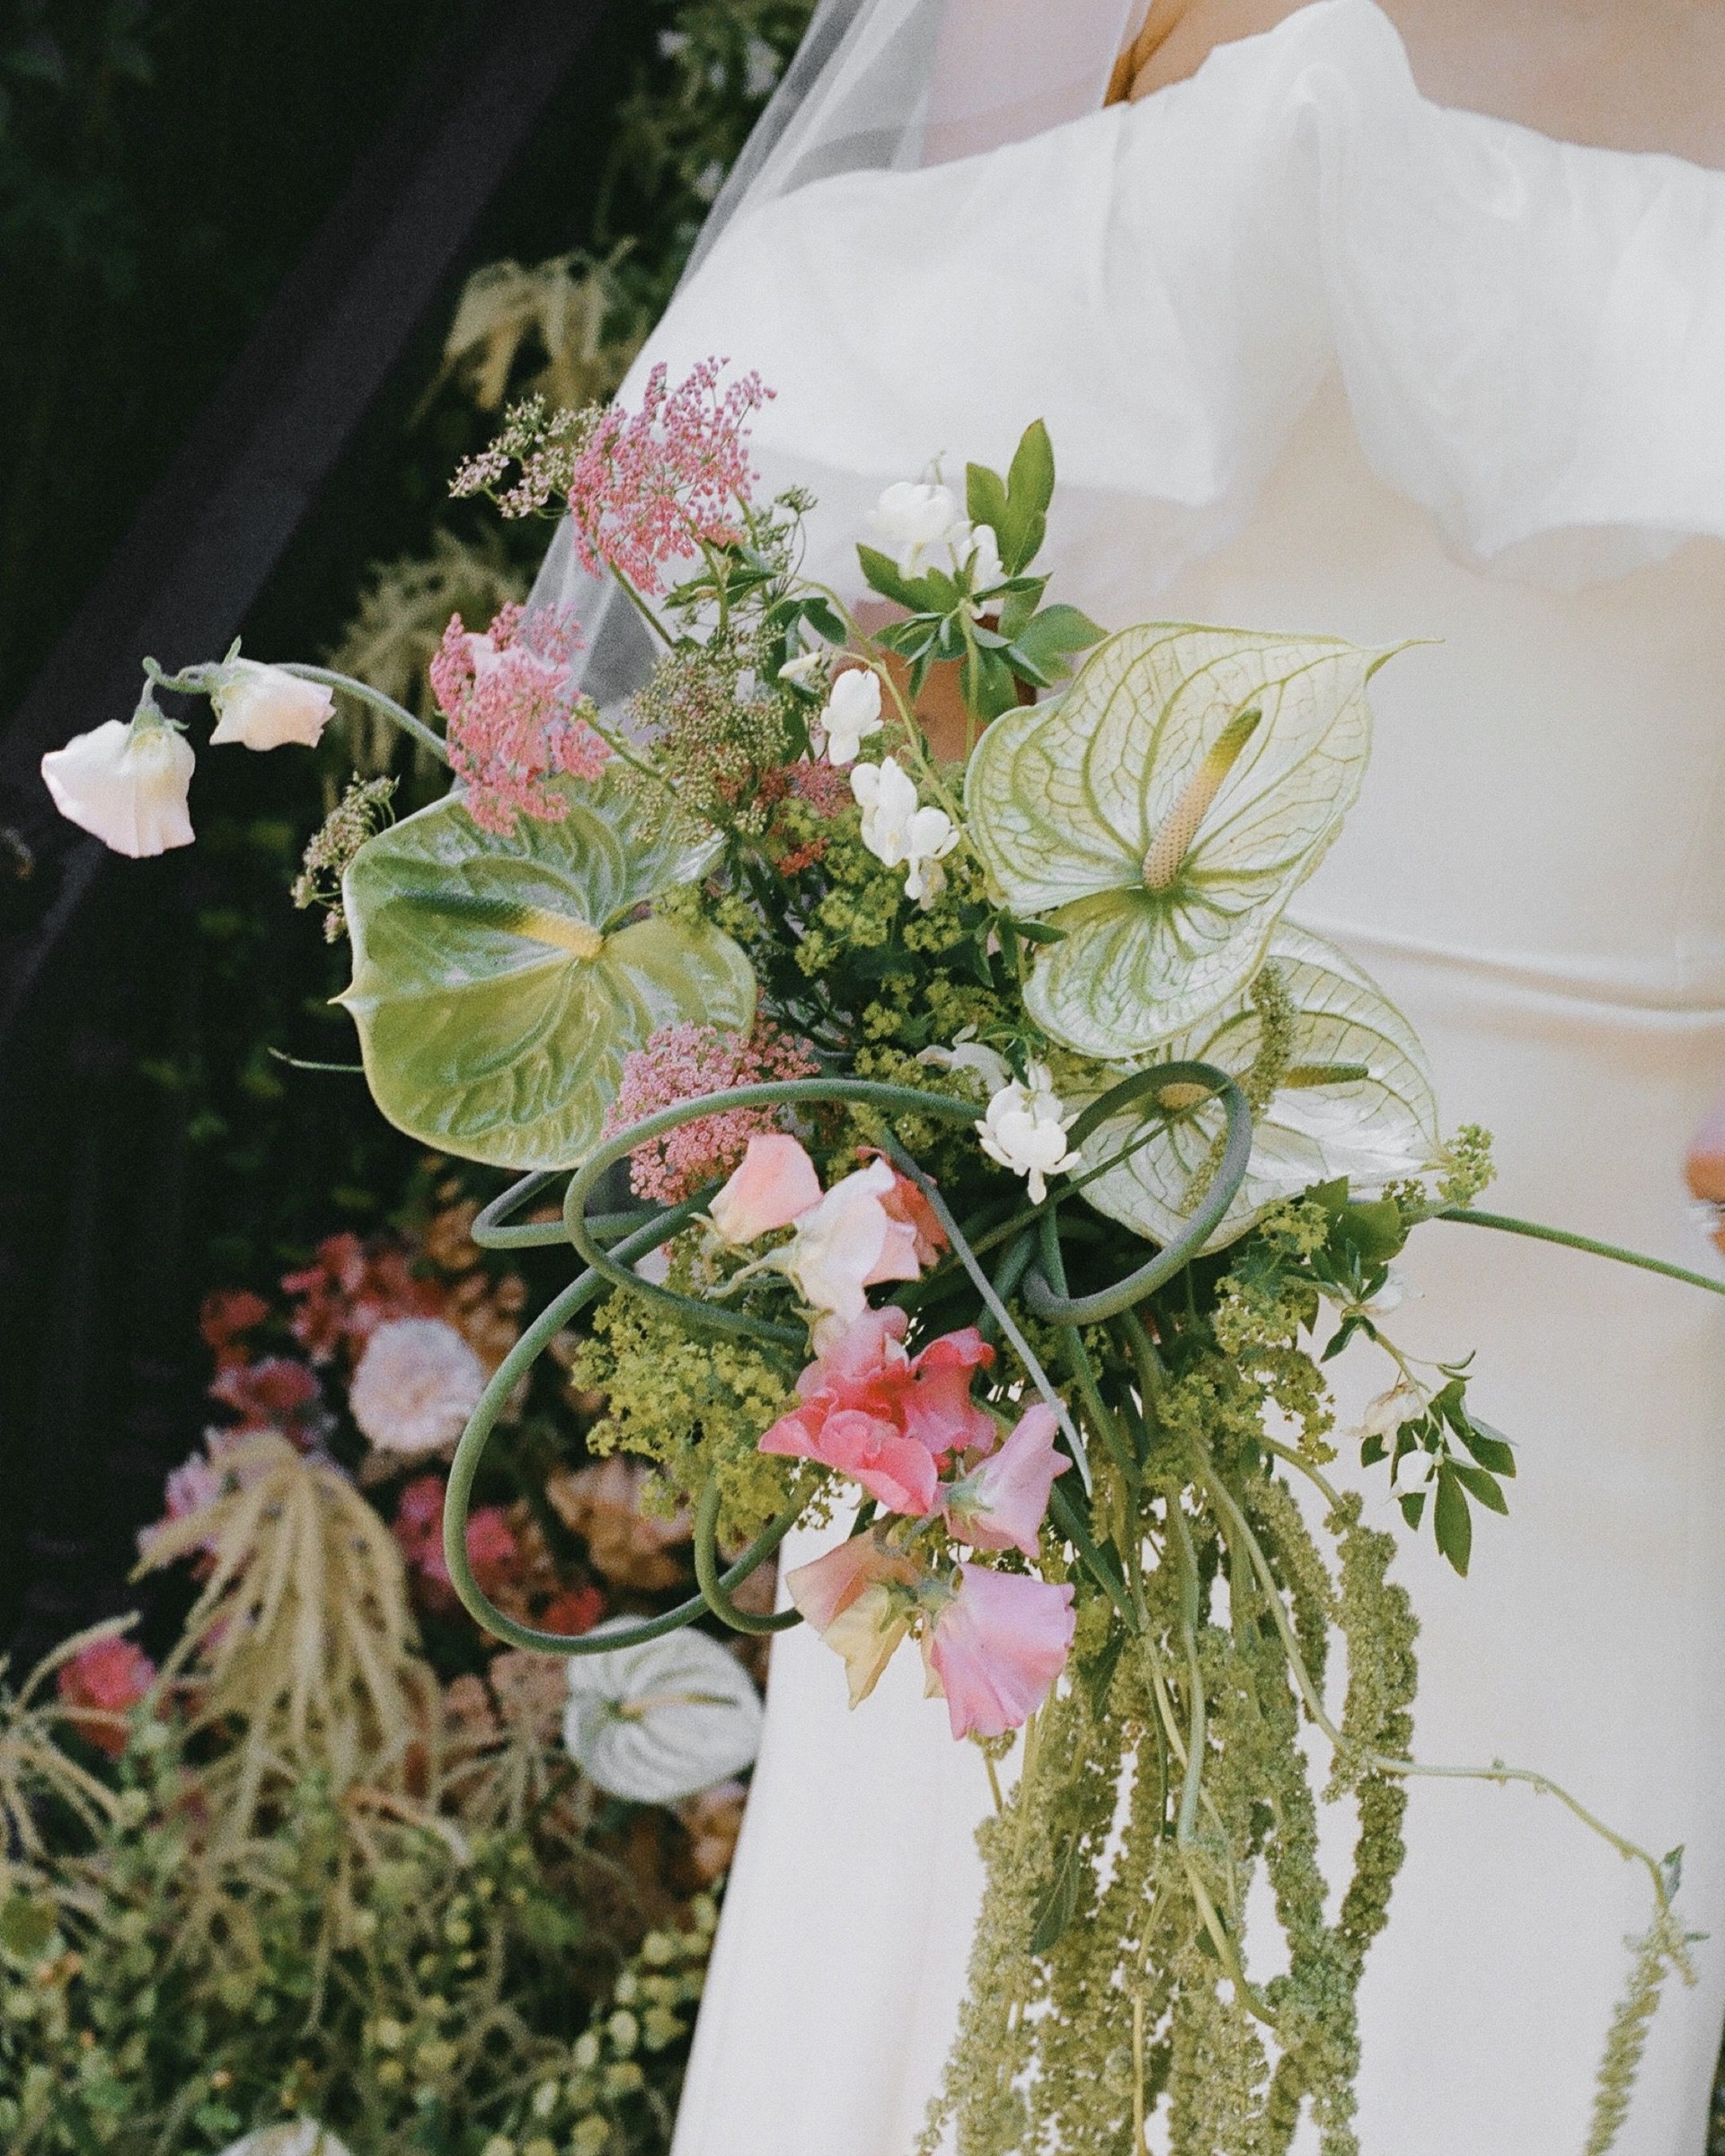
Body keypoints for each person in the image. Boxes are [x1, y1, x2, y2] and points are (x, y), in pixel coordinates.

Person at [534, 4, 1725, 2148]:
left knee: (1497, 1990)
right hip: (1073, 1249)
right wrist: (881, 1112)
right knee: (944, 1985)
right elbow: (898, 577)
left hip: (1613, 1296)